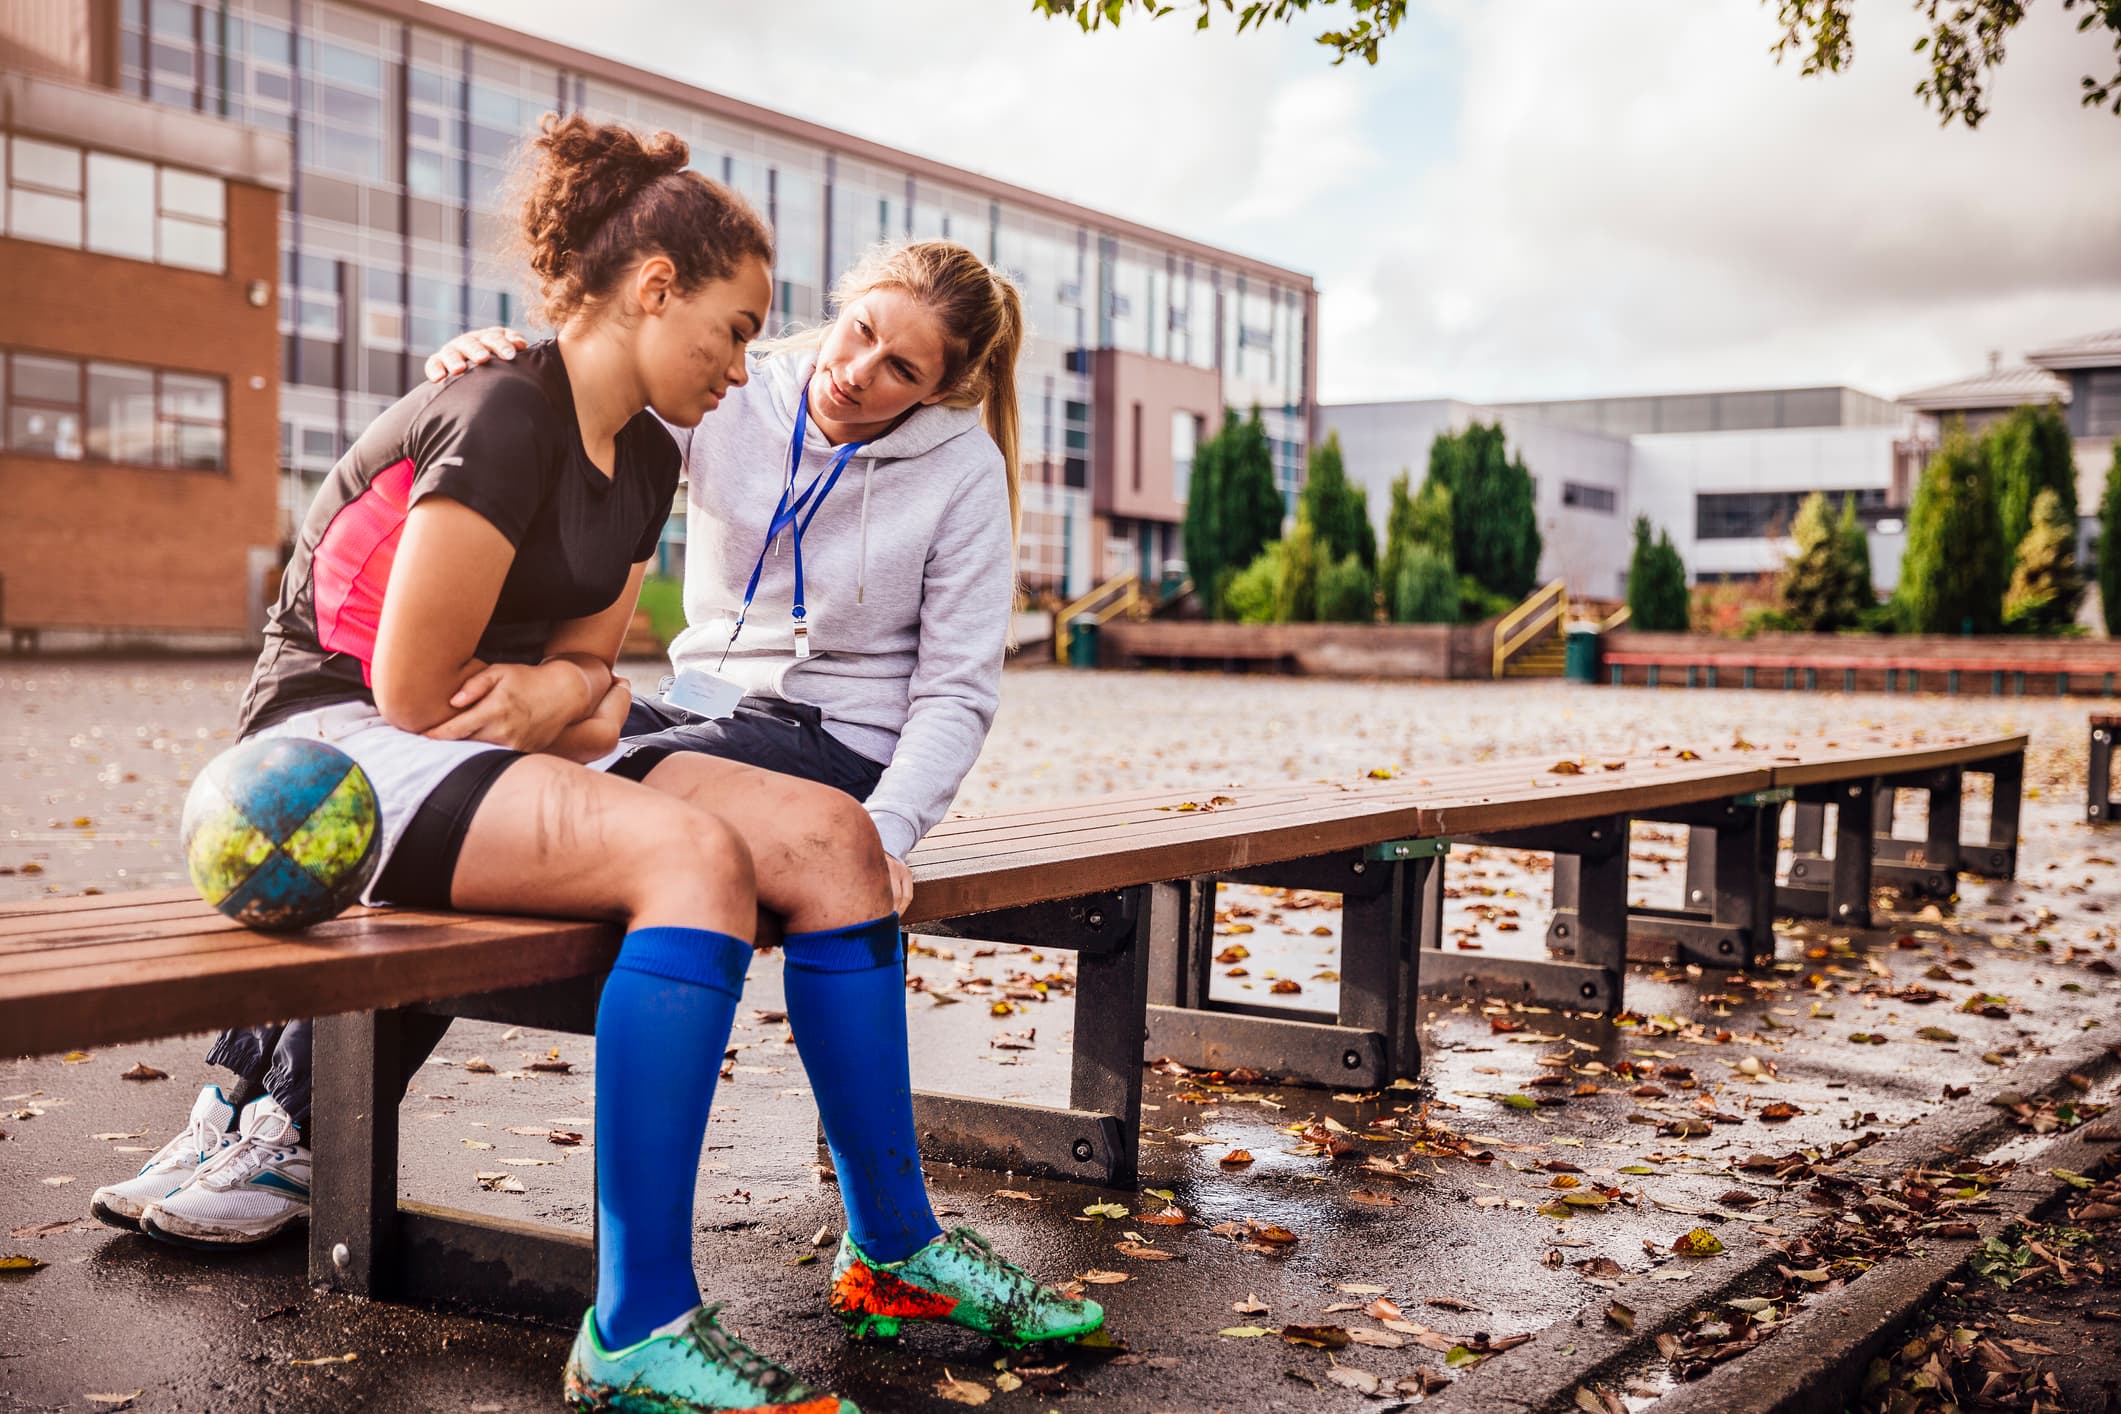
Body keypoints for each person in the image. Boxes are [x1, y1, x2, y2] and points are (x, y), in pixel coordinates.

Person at [89, 115, 1092, 1414]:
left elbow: (590, 695)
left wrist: (568, 692)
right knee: (691, 854)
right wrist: (570, 694)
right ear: (655, 290)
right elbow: (421, 691)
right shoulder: (507, 408)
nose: (755, 366)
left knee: (836, 844)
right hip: (331, 749)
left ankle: (895, 1249)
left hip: (474, 730)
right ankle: (637, 1323)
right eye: (738, 330)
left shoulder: (655, 459)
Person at [422, 237, 1023, 922]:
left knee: (575, 782)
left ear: (938, 390)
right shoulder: (736, 394)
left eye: (900, 369)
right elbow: (598, 415)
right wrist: (507, 373)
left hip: (835, 737)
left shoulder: (962, 472)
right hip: (695, 703)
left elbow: (956, 690)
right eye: (860, 331)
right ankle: (314, 1027)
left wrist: (885, 830)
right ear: (845, 303)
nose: (857, 371)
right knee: (478, 748)